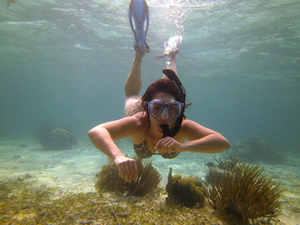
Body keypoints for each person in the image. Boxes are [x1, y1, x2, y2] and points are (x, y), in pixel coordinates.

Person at [88, 0, 230, 183]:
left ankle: (171, 55)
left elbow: (223, 143)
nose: (165, 116)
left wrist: (183, 146)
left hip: (157, 110)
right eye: (157, 108)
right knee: (132, 95)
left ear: (180, 110)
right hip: (140, 109)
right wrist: (117, 156)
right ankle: (139, 53)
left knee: (170, 87)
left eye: (172, 109)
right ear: (148, 108)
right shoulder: (138, 122)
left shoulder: (182, 125)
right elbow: (95, 132)